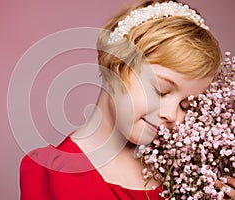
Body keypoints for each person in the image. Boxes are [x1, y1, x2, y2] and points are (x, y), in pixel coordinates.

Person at [20, 0, 233, 199]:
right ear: (117, 63)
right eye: (161, 90)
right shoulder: (52, 175)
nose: (172, 115)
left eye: (185, 106)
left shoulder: (188, 172)